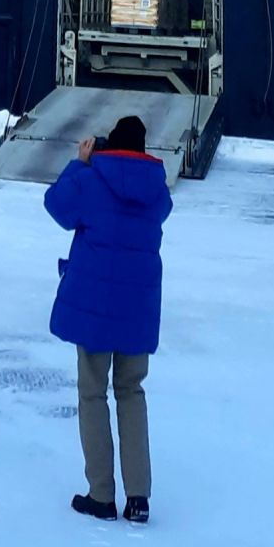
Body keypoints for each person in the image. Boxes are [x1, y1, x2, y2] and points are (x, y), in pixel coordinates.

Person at [44, 116, 172, 525]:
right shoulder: (157, 192)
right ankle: (138, 498)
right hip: (138, 309)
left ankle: (102, 494)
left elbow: (57, 207)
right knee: (131, 392)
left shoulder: (92, 178)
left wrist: (79, 164)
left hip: (96, 307)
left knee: (93, 393)